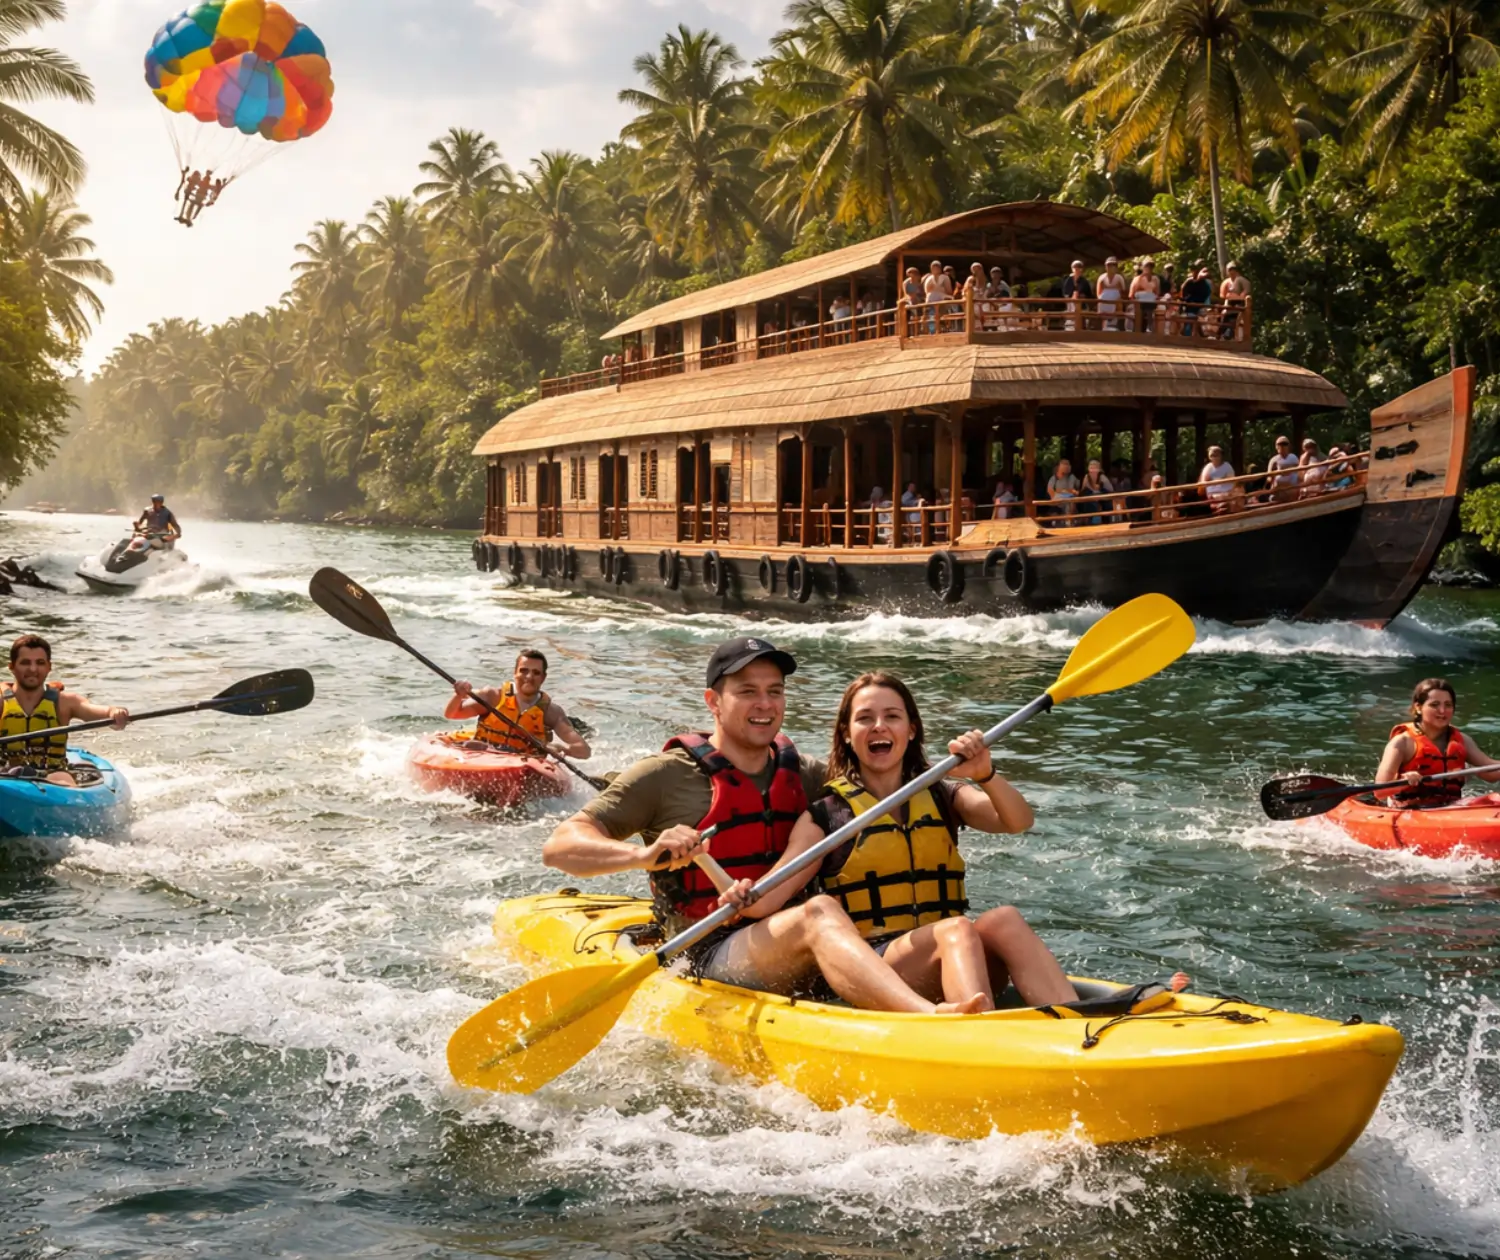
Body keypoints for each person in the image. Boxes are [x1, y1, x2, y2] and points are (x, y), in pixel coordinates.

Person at [543, 640, 987, 1013]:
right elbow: (561, 848)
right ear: (713, 702)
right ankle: (929, 1019)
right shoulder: (663, 776)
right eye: (747, 691)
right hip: (707, 951)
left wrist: (970, 771)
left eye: (775, 691)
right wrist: (640, 855)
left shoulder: (808, 776)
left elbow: (887, 780)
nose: (765, 704)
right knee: (819, 913)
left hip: (800, 946)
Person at [717, 673, 1093, 1011]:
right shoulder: (826, 817)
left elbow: (1017, 821)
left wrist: (986, 774)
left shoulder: (943, 795)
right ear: (847, 734)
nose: (879, 726)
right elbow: (768, 898)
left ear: (911, 729)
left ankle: (1074, 1022)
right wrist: (735, 891)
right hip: (882, 970)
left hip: (955, 959)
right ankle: (975, 1038)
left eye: (892, 716)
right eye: (865, 718)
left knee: (1004, 920)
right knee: (957, 928)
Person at [0, 635, 129, 787]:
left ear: (49, 667)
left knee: (61, 777)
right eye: (25, 662)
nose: (33, 669)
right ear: (12, 667)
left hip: (53, 775)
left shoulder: (66, 702)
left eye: (40, 663)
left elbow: (102, 712)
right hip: (5, 774)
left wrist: (115, 713)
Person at [1375, 678, 1500, 808]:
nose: (1442, 711)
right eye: (1434, 705)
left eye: (1448, 705)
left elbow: (1490, 771)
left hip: (1450, 806)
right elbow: (1380, 792)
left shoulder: (1462, 740)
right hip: (1411, 809)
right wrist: (1403, 781)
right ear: (1418, 707)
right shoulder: (1402, 742)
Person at [447, 649, 590, 759]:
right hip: (483, 753)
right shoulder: (492, 696)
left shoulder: (551, 712)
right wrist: (458, 696)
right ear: (515, 673)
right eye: (524, 671)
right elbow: (452, 714)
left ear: (543, 678)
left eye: (536, 673)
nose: (529, 677)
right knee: (472, 745)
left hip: (522, 761)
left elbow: (584, 750)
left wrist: (561, 749)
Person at [1198, 445, 1237, 513]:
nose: (1214, 457)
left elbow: (1232, 481)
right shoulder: (1208, 467)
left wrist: (1218, 480)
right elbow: (1203, 482)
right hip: (1213, 493)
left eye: (1216, 454)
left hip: (1227, 492)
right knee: (1219, 499)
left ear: (1221, 455)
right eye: (1212, 455)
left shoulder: (1227, 466)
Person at [1179, 262, 1212, 337]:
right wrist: (1184, 301)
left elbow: (1206, 294)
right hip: (1189, 305)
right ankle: (1188, 335)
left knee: (1197, 320)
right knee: (1190, 319)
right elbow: (1183, 292)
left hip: (1199, 305)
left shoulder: (1205, 284)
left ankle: (1199, 335)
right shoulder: (1189, 281)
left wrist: (1200, 303)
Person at [1219, 261, 1250, 340]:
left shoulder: (1241, 280)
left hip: (1239, 304)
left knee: (1234, 319)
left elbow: (1245, 293)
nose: (1231, 271)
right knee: (1225, 318)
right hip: (1229, 304)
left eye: (1233, 269)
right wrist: (1225, 306)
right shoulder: (1226, 282)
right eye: (1229, 270)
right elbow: (1224, 296)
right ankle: (1221, 334)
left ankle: (1228, 334)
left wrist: (1238, 298)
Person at [1131, 257, 1162, 334]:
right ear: (1143, 267)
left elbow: (1157, 293)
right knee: (1141, 309)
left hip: (1150, 302)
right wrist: (1142, 277)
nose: (1149, 268)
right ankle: (1139, 329)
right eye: (1147, 266)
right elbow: (1132, 293)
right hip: (1139, 302)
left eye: (1151, 266)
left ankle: (1149, 327)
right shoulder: (1137, 278)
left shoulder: (1155, 279)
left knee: (1150, 307)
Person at [1078, 458, 1113, 524]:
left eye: (1095, 467)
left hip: (1101, 497)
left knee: (1107, 503)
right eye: (1091, 467)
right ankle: (1089, 519)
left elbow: (1110, 490)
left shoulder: (1102, 477)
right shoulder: (1086, 477)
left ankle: (1105, 520)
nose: (1093, 470)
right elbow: (1083, 490)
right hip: (1090, 498)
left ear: (1099, 469)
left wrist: (1100, 489)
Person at [1096, 256, 1127, 332]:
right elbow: (1098, 293)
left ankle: (1114, 325)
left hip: (1116, 302)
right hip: (1104, 301)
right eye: (1109, 265)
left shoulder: (1119, 278)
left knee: (1118, 304)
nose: (1111, 267)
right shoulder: (1102, 278)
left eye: (1113, 265)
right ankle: (1104, 326)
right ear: (1106, 267)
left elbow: (1123, 292)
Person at [1267, 435, 1300, 502]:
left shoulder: (1294, 457)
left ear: (1288, 446)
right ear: (1276, 446)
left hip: (1293, 488)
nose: (1282, 446)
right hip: (1279, 488)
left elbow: (1300, 472)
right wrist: (1277, 474)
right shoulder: (1274, 460)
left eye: (1285, 444)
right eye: (1279, 444)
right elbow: (1269, 477)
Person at [1062, 260, 1094, 331]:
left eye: (1079, 267)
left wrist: (1082, 296)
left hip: (1082, 305)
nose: (1077, 269)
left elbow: (1089, 295)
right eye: (1075, 267)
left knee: (1082, 323)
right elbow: (1065, 293)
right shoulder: (1068, 280)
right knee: (1070, 323)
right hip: (1070, 305)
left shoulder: (1084, 281)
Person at [1046, 458, 1079, 523]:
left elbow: (1075, 490)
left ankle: (1069, 520)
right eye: (1064, 464)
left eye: (1067, 464)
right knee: (1054, 516)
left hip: (1069, 501)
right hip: (1057, 501)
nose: (1066, 466)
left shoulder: (1072, 477)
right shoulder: (1054, 478)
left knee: (1072, 502)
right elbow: (1050, 490)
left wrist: (1073, 492)